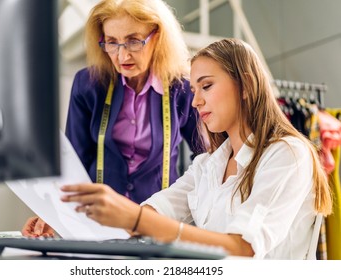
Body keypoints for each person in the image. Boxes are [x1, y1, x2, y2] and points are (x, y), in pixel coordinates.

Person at [57, 38, 333, 259]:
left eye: (207, 86)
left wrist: (136, 218)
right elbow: (158, 210)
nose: (195, 102)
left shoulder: (287, 155)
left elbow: (242, 249)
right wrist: (63, 226)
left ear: (246, 84)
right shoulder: (207, 165)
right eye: (194, 89)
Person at [22, 0, 202, 236]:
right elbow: (74, 162)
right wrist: (53, 215)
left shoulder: (182, 88)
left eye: (133, 41)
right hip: (99, 223)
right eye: (112, 43)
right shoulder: (88, 85)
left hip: (159, 221)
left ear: (156, 36)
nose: (122, 55)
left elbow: (206, 160)